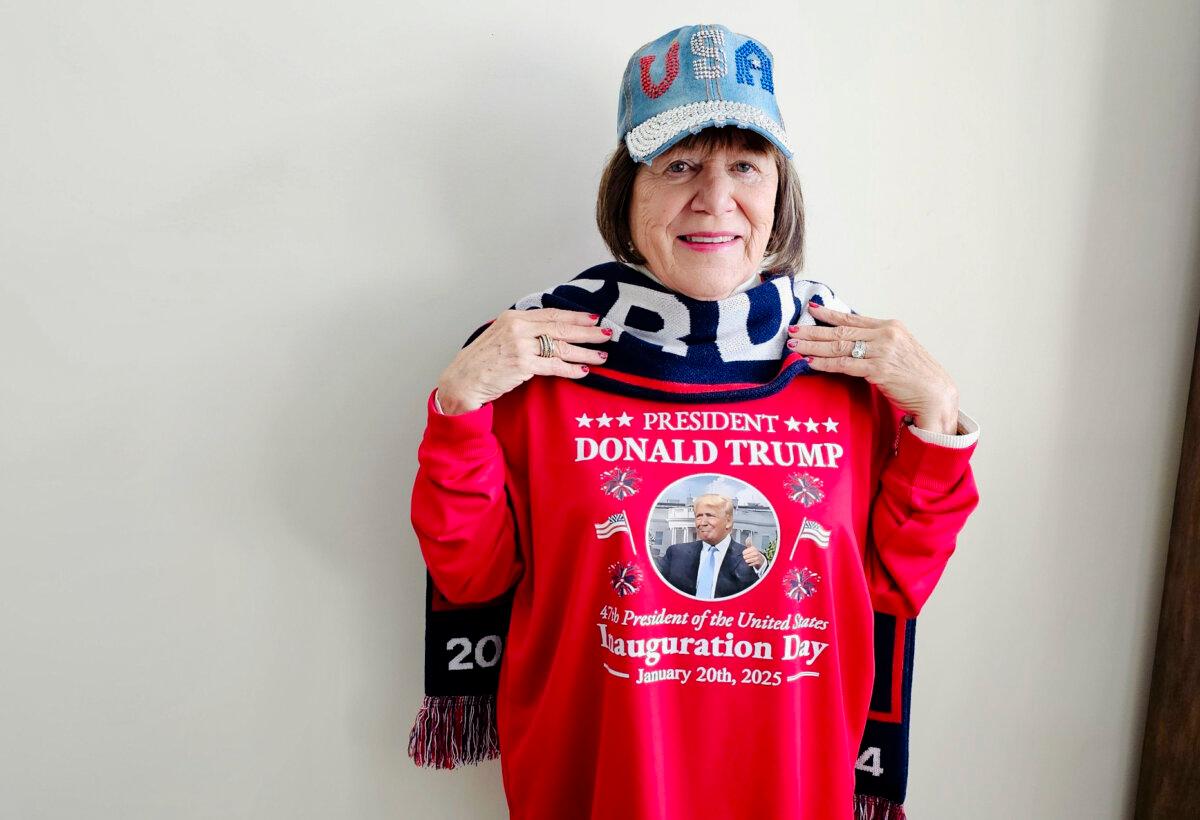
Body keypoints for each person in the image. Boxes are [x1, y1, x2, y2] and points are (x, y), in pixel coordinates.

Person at [409, 23, 979, 820]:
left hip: (792, 792)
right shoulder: (539, 354)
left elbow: (893, 585)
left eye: (745, 164)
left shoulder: (849, 361)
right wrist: (460, 408)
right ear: (626, 190)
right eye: (679, 166)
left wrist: (938, 419)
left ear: (779, 190)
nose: (715, 199)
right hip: (597, 789)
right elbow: (473, 578)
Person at [656, 494, 766, 599]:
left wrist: (762, 565)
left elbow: (771, 591)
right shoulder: (676, 553)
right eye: (699, 516)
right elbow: (650, 580)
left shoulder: (749, 559)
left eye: (710, 515)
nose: (702, 522)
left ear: (728, 521)